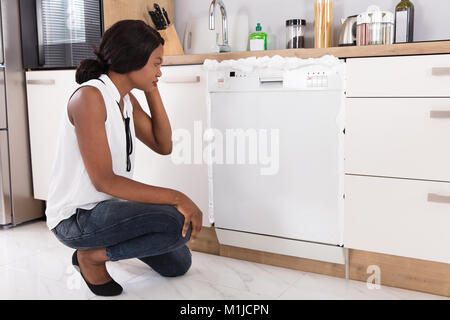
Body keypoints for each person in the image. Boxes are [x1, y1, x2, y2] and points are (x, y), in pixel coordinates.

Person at [45, 20, 203, 297]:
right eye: (155, 64)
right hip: (76, 218)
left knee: (180, 263)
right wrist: (177, 196)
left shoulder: (125, 98)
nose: (160, 72)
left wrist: (150, 87)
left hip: (109, 209)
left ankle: (97, 249)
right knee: (176, 222)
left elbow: (162, 144)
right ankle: (91, 257)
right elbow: (104, 181)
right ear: (133, 59)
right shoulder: (90, 98)